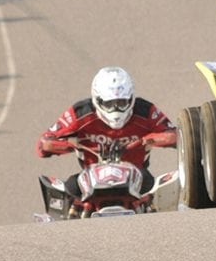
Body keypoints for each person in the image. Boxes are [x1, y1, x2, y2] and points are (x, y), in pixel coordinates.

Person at [36, 66, 178, 204]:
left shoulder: (145, 111)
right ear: (97, 99)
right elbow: (44, 143)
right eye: (109, 104)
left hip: (138, 177)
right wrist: (65, 147)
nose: (115, 109)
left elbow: (176, 135)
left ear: (131, 99)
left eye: (122, 103)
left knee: (159, 194)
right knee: (68, 190)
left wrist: (148, 140)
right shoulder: (80, 113)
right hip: (89, 178)